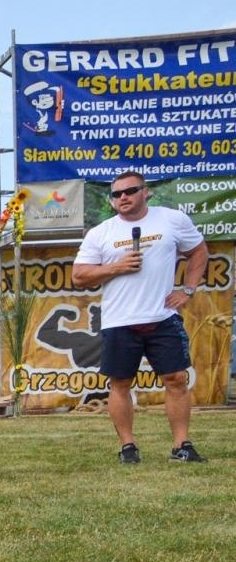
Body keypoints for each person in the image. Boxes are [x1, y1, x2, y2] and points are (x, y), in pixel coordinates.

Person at [71, 171, 210, 464]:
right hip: (119, 320)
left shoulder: (172, 220)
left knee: (176, 379)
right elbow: (80, 275)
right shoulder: (101, 233)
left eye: (130, 191)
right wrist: (116, 267)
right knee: (120, 383)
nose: (123, 197)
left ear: (146, 192)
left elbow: (198, 252)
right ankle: (128, 448)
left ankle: (181, 445)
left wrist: (187, 289)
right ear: (111, 201)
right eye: (116, 194)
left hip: (163, 316)